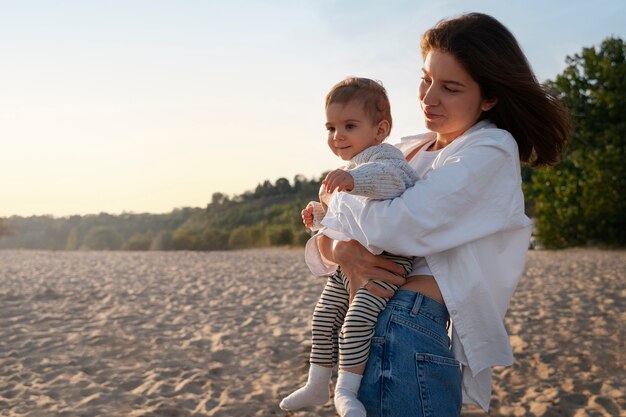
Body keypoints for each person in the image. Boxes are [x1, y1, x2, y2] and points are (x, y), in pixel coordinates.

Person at [303, 13, 570, 417]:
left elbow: (399, 226)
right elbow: (327, 238)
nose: (428, 98)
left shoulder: (489, 150)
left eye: (450, 87)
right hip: (366, 326)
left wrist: (339, 211)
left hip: (407, 325)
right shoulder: (409, 148)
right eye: (426, 80)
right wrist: (342, 249)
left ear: (489, 97)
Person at [280, 77, 419, 417]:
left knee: (354, 323)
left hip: (385, 265)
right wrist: (318, 216)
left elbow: (390, 181)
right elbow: (340, 220)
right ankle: (316, 383)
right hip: (347, 264)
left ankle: (345, 391)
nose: (337, 136)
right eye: (331, 127)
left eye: (349, 126)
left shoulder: (386, 159)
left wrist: (355, 180)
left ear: (380, 129)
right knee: (324, 316)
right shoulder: (348, 169)